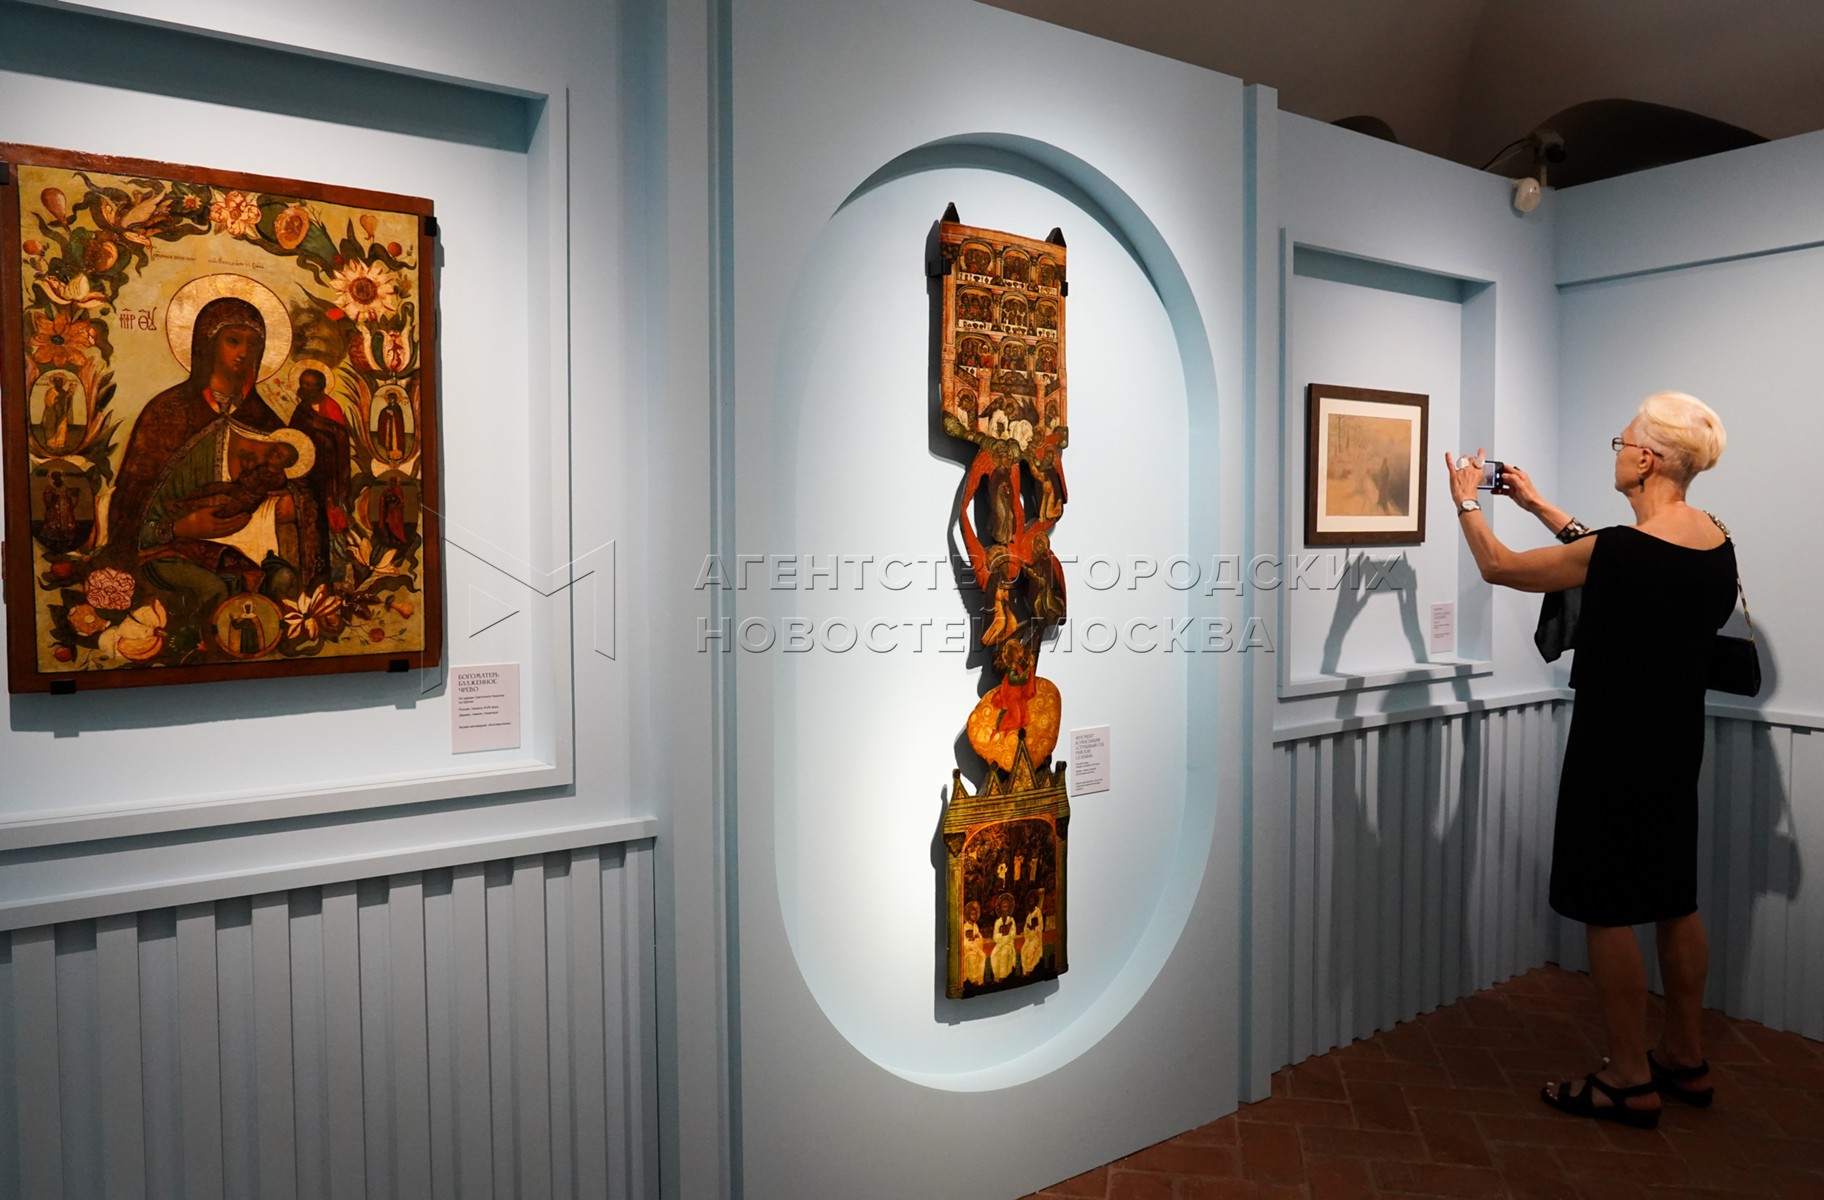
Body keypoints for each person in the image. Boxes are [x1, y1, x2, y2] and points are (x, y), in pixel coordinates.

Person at [1445, 391, 1735, 1130]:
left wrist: (1466, 502)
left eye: (1622, 441)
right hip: (1676, 743)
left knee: (1607, 907)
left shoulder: (1624, 550)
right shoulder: (1715, 538)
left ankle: (1627, 1078)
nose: (1618, 450)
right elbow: (1615, 561)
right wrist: (1539, 503)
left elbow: (1502, 567)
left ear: (1647, 459)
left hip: (1614, 743)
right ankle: (1684, 1056)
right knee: (1674, 897)